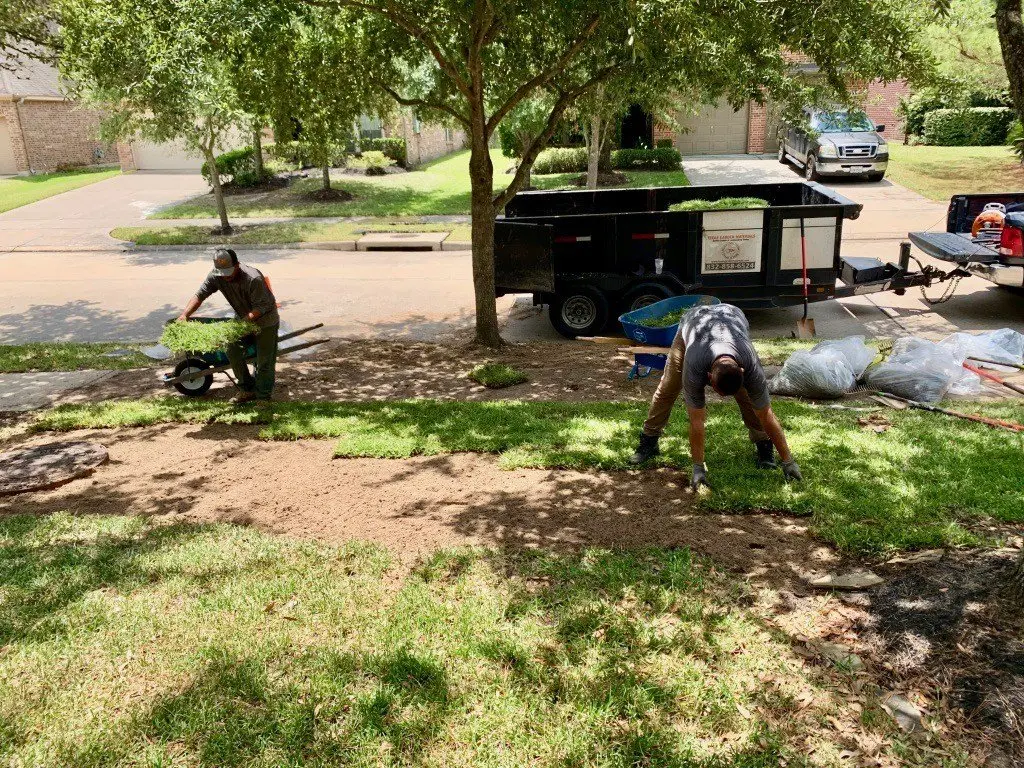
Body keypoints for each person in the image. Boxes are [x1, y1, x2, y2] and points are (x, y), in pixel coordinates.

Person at [629, 302, 802, 489]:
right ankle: (648, 441)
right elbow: (697, 421)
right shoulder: (694, 364)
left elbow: (767, 415)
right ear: (709, 377)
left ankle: (764, 445)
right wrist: (698, 468)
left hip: (732, 320)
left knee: (747, 398)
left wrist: (788, 461)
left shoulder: (750, 365)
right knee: (668, 388)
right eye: (719, 393)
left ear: (742, 371)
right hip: (694, 322)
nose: (721, 398)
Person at [177, 248, 279, 404]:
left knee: (264, 360)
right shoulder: (217, 275)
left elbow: (261, 307)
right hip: (242, 320)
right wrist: (185, 315)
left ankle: (263, 397)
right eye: (221, 273)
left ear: (237, 265)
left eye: (229, 272)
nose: (225, 277)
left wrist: (242, 323)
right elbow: (200, 294)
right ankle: (247, 389)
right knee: (231, 348)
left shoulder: (253, 278)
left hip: (265, 321)